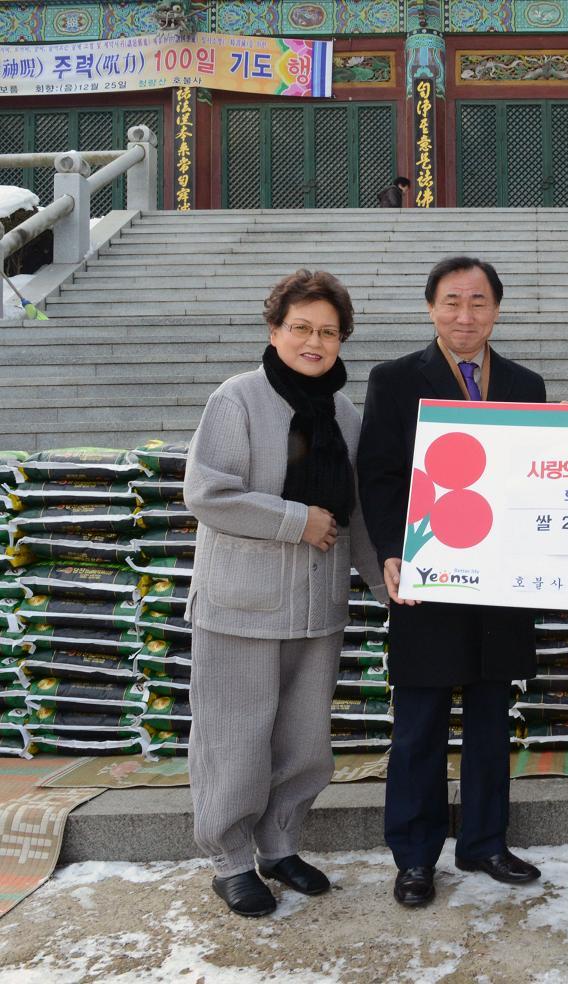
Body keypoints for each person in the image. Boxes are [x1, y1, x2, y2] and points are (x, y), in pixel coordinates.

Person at [185, 269, 385, 918]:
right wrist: (297, 520)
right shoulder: (238, 400)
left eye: (328, 332)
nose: (313, 341)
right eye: (300, 328)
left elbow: (353, 515)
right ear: (274, 331)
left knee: (303, 743)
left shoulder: (344, 413)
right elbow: (208, 493)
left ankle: (278, 845)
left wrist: (387, 585)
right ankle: (231, 860)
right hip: (241, 608)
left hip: (315, 612)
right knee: (235, 739)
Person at [357, 255, 547, 908]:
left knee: (492, 716)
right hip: (428, 575)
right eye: (450, 301)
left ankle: (485, 843)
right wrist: (389, 549)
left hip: (500, 583)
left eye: (477, 302)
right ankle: (414, 857)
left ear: (496, 308)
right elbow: (377, 474)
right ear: (430, 307)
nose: (464, 315)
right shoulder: (394, 380)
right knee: (420, 723)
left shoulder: (525, 384)